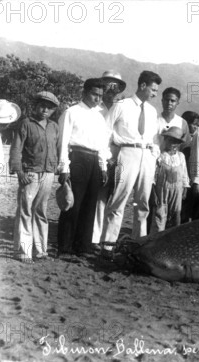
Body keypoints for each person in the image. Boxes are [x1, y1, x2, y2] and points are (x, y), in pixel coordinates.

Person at [101, 70, 162, 258]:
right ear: (142, 85)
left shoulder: (152, 112)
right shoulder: (122, 105)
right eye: (153, 89)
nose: (155, 94)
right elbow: (106, 132)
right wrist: (106, 158)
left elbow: (155, 139)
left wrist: (154, 155)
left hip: (147, 157)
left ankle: (138, 245)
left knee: (143, 203)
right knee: (119, 200)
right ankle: (108, 246)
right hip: (127, 153)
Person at [57, 78, 111, 257]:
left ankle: (83, 246)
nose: (98, 99)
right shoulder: (71, 112)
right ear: (84, 93)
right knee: (73, 203)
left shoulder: (99, 117)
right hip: (77, 158)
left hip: (95, 159)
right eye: (94, 94)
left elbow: (103, 144)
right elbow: (63, 141)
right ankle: (65, 246)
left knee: (90, 205)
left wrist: (103, 166)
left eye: (100, 96)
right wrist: (64, 167)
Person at [9, 91, 60, 263]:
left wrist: (56, 169)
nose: (45, 109)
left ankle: (40, 250)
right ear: (35, 105)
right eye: (42, 105)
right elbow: (16, 149)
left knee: (41, 211)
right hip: (30, 174)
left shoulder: (54, 127)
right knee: (25, 211)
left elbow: (58, 149)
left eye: (49, 107)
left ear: (53, 111)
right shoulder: (26, 123)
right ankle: (23, 250)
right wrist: (19, 172)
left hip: (48, 173)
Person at [92, 70, 127, 249]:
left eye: (115, 85)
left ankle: (106, 236)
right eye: (108, 83)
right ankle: (95, 237)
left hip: (117, 158)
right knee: (98, 198)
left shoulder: (121, 107)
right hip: (96, 156)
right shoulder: (95, 108)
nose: (111, 88)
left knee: (112, 199)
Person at [150, 127, 190, 233]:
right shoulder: (160, 156)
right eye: (171, 140)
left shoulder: (181, 156)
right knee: (160, 216)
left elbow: (184, 174)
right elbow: (153, 177)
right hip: (162, 191)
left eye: (176, 141)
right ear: (165, 139)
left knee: (175, 215)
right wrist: (154, 193)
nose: (173, 144)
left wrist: (185, 188)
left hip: (177, 191)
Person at [180, 111, 199, 223]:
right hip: (183, 174)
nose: (195, 127)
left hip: (195, 174)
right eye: (193, 124)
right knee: (183, 204)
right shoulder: (181, 138)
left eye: (197, 125)